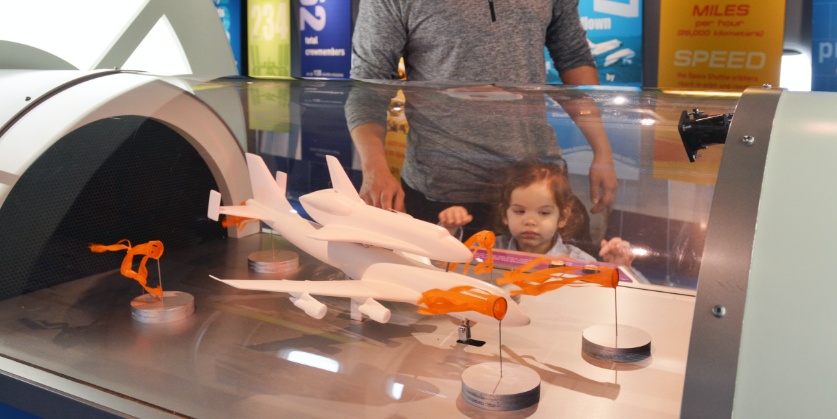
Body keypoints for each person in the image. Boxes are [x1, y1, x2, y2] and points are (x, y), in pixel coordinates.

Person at [345, 1, 617, 227]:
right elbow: (368, 87)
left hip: (537, 181)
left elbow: (574, 59)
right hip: (444, 190)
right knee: (448, 290)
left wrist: (603, 152)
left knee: (545, 288)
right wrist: (374, 168)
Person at [439, 160, 634, 266]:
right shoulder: (488, 251)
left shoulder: (577, 262)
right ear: (505, 215)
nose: (530, 221)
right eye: (519, 211)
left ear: (563, 217)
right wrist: (447, 231)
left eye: (544, 213)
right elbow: (442, 266)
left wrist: (619, 267)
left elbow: (605, 297)